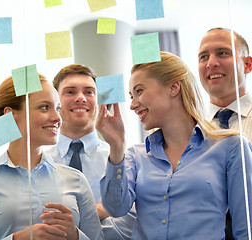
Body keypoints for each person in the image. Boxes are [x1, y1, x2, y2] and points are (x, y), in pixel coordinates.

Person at [97, 51, 252, 239]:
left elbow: (246, 230)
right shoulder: (134, 155)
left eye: (139, 91)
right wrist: (116, 146)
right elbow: (116, 207)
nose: (132, 105)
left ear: (173, 87)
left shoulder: (232, 147)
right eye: (131, 96)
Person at [0, 75, 103, 240]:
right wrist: (15, 239)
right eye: (45, 107)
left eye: (58, 108)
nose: (57, 118)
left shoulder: (76, 179)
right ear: (11, 114)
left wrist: (75, 236)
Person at [46, 64, 135, 239]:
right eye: (70, 92)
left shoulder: (123, 158)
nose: (81, 98)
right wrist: (102, 212)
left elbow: (130, 223)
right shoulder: (41, 162)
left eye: (89, 92)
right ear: (55, 103)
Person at [198, 27, 252, 239]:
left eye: (222, 53)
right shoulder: (187, 128)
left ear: (247, 64)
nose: (211, 63)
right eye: (204, 57)